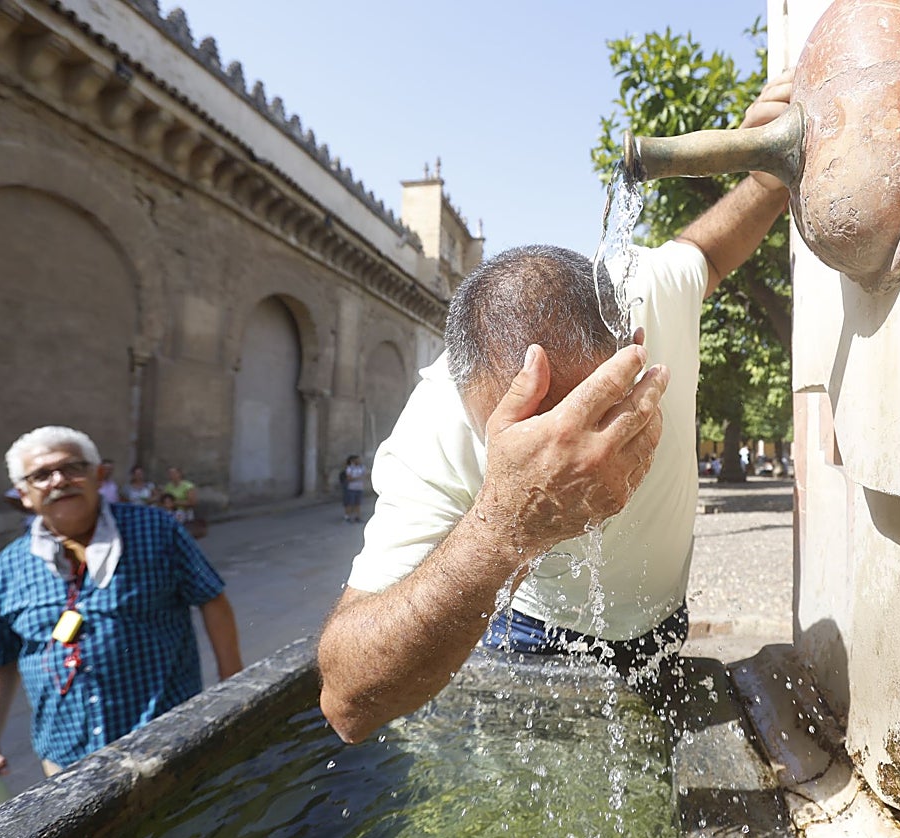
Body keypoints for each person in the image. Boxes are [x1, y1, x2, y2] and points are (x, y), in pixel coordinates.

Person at [316, 71, 794, 744]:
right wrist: (506, 524)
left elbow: (708, 251)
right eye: (530, 436)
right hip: (530, 636)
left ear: (631, 344)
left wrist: (769, 181)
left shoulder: (647, 295)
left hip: (664, 621)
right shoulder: (435, 422)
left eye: (597, 410)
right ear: (469, 403)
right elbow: (346, 701)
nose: (582, 456)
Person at [0, 426, 243, 820]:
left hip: (167, 742)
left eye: (73, 468)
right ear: (22, 494)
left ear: (100, 476)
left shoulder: (157, 531)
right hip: (66, 761)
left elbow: (212, 599)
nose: (59, 481)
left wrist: (233, 687)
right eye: (41, 475)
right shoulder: (8, 567)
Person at [340, 455, 367, 523]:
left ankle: (357, 517)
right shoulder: (349, 468)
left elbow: (365, 475)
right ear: (353, 461)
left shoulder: (362, 467)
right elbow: (349, 478)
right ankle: (347, 517)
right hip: (351, 488)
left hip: (359, 488)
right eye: (357, 460)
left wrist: (359, 478)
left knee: (358, 503)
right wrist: (359, 478)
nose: (359, 461)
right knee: (349, 503)